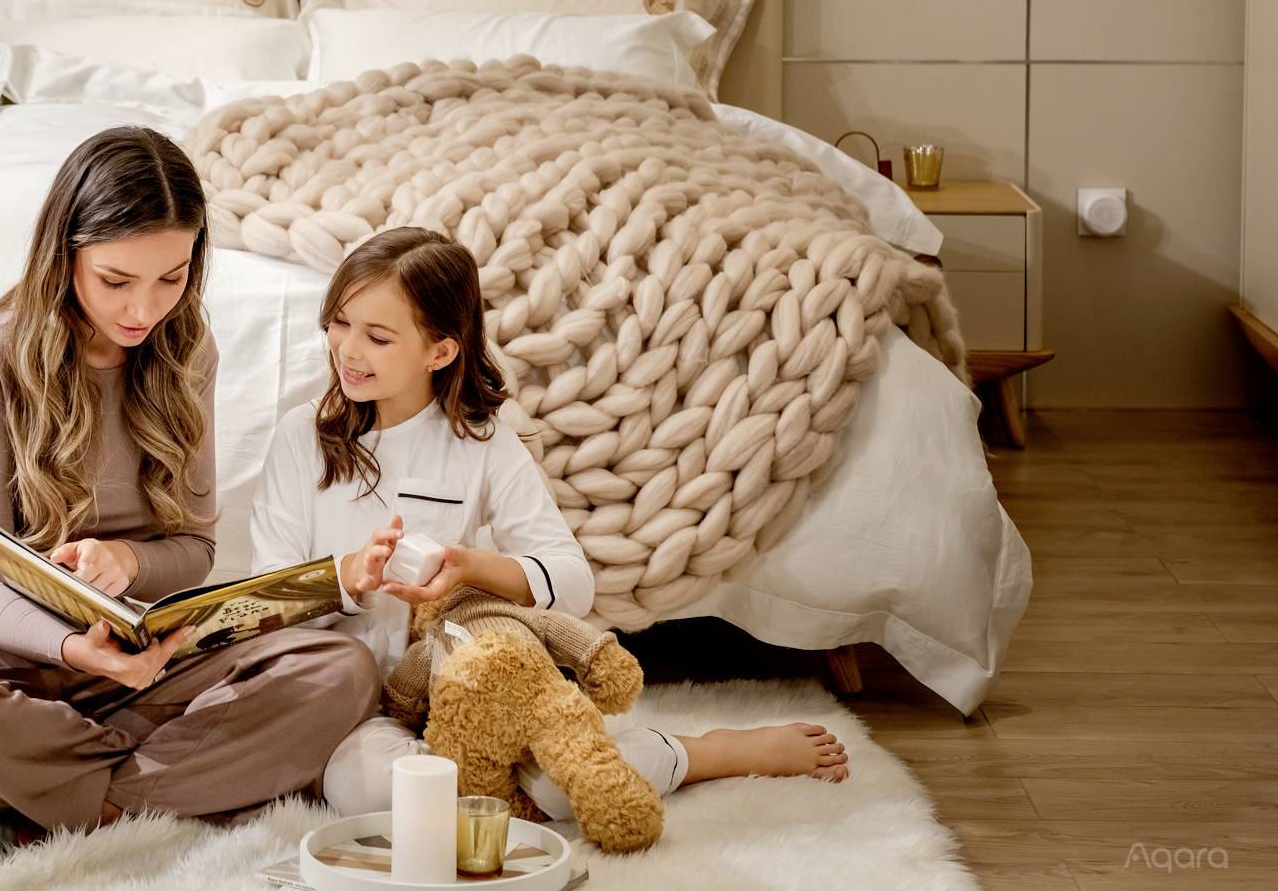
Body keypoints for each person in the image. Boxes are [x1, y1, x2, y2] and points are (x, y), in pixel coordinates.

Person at [0, 125, 379, 861]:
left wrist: (127, 566)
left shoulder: (187, 350)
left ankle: (38, 807)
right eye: (116, 280)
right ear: (63, 254)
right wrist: (75, 648)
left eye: (172, 277)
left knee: (341, 670)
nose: (144, 309)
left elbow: (192, 550)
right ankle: (153, 785)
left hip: (133, 661)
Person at [248, 226, 851, 822]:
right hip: (361, 707)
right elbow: (261, 600)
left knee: (564, 790)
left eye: (378, 337)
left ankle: (702, 752)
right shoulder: (301, 438)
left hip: (472, 683)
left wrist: (470, 567)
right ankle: (489, 776)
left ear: (441, 351)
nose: (348, 350)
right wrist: (349, 579)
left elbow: (572, 578)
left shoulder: (481, 442)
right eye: (339, 323)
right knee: (368, 792)